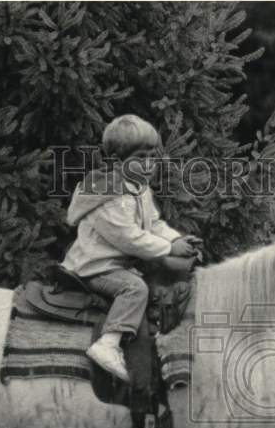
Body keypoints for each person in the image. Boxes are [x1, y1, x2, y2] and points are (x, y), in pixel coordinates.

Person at [62, 114, 201, 382]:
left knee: (167, 280)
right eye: (140, 158)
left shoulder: (139, 188)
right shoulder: (108, 193)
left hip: (118, 264)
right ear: (116, 161)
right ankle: (108, 343)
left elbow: (153, 224)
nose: (149, 165)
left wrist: (175, 240)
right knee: (134, 289)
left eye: (152, 157)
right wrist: (168, 250)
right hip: (95, 266)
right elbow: (128, 237)